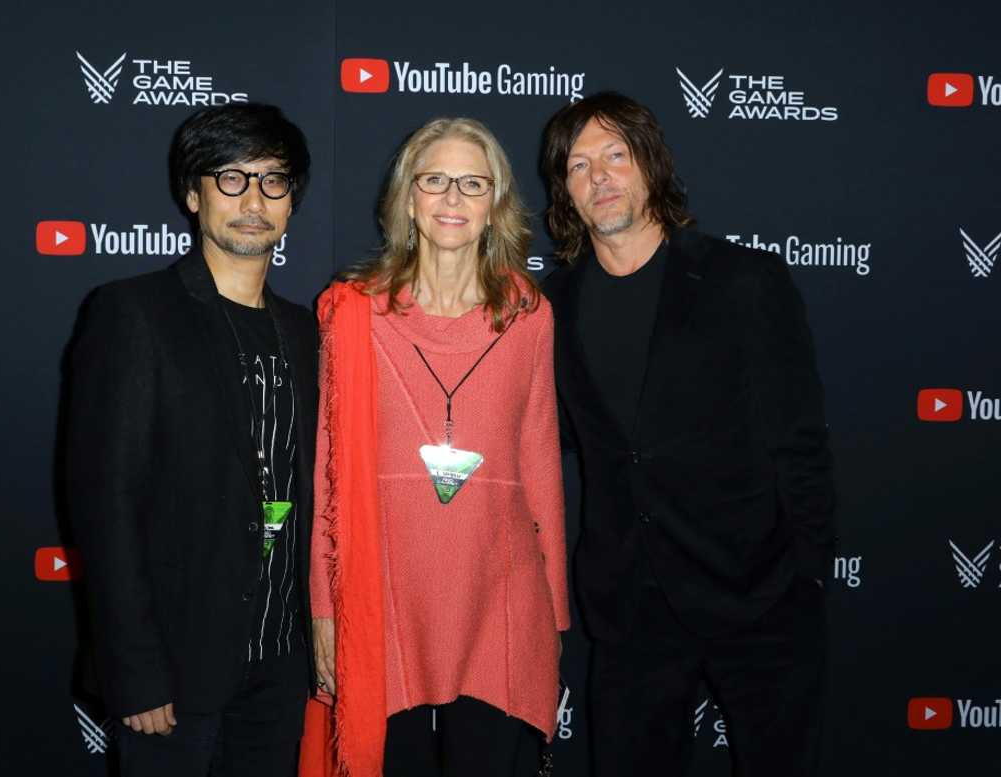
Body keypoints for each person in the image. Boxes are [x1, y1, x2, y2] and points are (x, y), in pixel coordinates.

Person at [540, 91, 836, 777]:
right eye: (579, 166)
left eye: (616, 154)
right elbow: (542, 439)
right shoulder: (553, 306)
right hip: (630, 606)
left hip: (758, 595)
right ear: (565, 192)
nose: (600, 176)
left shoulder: (743, 280)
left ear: (651, 163)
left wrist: (808, 572)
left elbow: (800, 437)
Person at [299, 117, 569, 777]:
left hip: (501, 603)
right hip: (385, 601)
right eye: (436, 180)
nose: (453, 197)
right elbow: (326, 476)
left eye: (473, 183)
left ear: (494, 205)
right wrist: (326, 609)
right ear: (408, 199)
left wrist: (555, 617)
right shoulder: (352, 312)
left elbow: (541, 463)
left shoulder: (528, 313)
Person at [66, 103, 319, 777]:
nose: (253, 199)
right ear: (192, 192)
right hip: (172, 670)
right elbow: (104, 501)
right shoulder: (133, 313)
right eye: (230, 178)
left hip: (281, 665)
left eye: (273, 181)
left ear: (292, 201)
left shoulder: (309, 331)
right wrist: (135, 668)